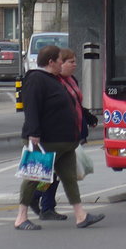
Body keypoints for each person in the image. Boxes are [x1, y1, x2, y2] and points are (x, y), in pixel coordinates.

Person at [14, 45, 104, 231]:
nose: (62, 64)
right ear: (51, 62)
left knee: (69, 178)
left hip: (64, 142)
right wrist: (34, 133)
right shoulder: (36, 79)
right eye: (60, 61)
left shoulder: (55, 79)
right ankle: (21, 218)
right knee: (33, 177)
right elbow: (31, 109)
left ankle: (81, 216)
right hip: (44, 141)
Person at [31, 47, 99, 221]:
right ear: (57, 64)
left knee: (57, 173)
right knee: (54, 173)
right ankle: (38, 198)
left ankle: (46, 204)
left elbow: (74, 103)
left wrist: (87, 115)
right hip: (58, 135)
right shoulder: (53, 82)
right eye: (70, 62)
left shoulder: (71, 80)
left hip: (73, 132)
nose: (74, 65)